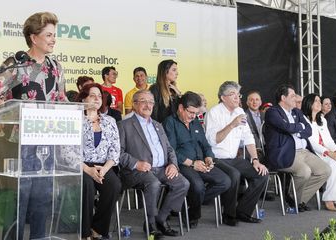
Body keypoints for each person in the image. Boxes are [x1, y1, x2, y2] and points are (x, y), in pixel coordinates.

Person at [0, 12, 68, 239]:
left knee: (42, 201)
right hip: (18, 145)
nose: (54, 39)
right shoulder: (16, 63)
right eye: (49, 35)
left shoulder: (56, 67)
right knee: (19, 201)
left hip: (47, 142)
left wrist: (80, 110)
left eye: (55, 35)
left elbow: (61, 100)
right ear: (34, 38)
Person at [118, 89, 189, 238]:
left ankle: (161, 219)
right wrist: (136, 163)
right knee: (154, 183)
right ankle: (150, 225)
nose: (148, 105)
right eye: (143, 101)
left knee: (183, 183)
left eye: (151, 102)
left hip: (162, 168)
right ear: (134, 104)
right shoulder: (124, 125)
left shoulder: (158, 125)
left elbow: (169, 148)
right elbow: (118, 153)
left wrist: (173, 164)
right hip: (137, 171)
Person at [163, 91, 230, 228]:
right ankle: (193, 215)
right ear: (181, 108)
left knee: (225, 181)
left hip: (202, 163)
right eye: (191, 112)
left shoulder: (195, 123)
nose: (193, 116)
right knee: (198, 186)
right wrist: (193, 164)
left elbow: (206, 145)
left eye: (196, 113)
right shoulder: (170, 122)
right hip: (183, 165)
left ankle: (190, 202)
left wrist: (209, 158)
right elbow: (171, 151)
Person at [205, 81, 269, 225]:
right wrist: (232, 125)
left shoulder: (240, 112)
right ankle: (228, 214)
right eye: (232, 94)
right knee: (234, 174)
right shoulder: (214, 113)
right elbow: (213, 140)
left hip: (234, 158)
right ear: (223, 97)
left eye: (238, 95)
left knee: (262, 174)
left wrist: (255, 160)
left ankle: (243, 211)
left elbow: (248, 138)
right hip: (216, 158)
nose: (237, 98)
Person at [264, 84, 330, 212]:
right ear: (283, 98)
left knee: (325, 170)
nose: (295, 99)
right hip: (284, 153)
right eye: (293, 96)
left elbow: (309, 130)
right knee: (304, 172)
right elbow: (286, 128)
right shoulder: (272, 112)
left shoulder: (296, 112)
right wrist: (299, 127)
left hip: (304, 151)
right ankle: (295, 201)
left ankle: (296, 199)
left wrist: (297, 130)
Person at [76, 83, 121, 240]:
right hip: (80, 166)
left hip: (104, 166)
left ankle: (97, 229)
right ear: (83, 99)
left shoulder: (110, 121)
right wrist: (88, 170)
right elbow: (67, 151)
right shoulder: (75, 119)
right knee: (87, 186)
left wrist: (104, 169)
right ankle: (84, 233)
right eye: (92, 95)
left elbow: (115, 150)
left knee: (114, 185)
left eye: (99, 96)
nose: (97, 98)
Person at [301, 94, 336, 211]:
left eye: (320, 101)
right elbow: (312, 143)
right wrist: (329, 153)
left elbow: (329, 139)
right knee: (334, 163)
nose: (319, 103)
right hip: (312, 153)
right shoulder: (304, 120)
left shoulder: (322, 120)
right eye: (316, 101)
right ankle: (329, 199)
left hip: (326, 152)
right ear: (308, 103)